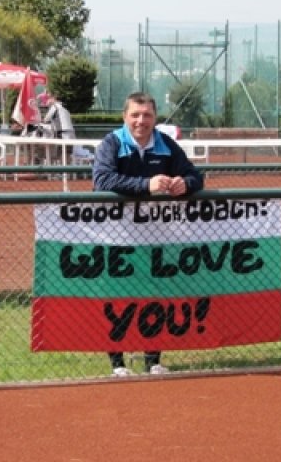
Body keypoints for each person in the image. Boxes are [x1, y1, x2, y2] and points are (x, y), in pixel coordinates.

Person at [92, 91, 205, 377]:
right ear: (125, 117)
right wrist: (146, 184)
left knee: (155, 294)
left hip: (156, 237)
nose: (141, 121)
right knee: (116, 296)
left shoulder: (166, 144)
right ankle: (117, 363)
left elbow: (195, 175)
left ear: (155, 118)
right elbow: (102, 180)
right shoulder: (112, 143)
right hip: (116, 236)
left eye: (147, 116)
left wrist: (185, 184)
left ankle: (153, 359)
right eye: (136, 115)